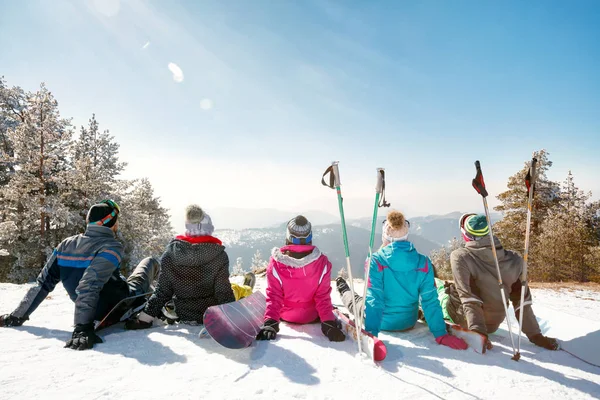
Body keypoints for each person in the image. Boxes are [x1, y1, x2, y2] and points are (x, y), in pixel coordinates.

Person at [0, 200, 160, 350]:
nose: (118, 224)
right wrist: (82, 328)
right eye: (116, 220)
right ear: (109, 222)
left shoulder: (65, 245)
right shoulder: (111, 246)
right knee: (150, 261)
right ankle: (164, 297)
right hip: (118, 303)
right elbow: (89, 285)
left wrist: (17, 316)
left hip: (91, 308)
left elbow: (42, 284)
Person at [336, 210, 467, 350]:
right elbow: (430, 301)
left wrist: (371, 335)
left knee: (356, 302)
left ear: (386, 235)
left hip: (382, 322)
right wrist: (441, 334)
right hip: (408, 321)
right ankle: (431, 321)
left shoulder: (375, 261)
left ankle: (343, 288)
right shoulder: (423, 262)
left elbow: (375, 299)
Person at [125, 205, 253, 329]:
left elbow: (162, 292)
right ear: (208, 230)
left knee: (231, 288)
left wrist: (144, 319)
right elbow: (223, 293)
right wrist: (235, 323)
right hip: (211, 314)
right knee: (235, 289)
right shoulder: (218, 255)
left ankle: (244, 288)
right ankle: (247, 288)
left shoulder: (170, 254)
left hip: (184, 313)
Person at [445, 213, 559, 351]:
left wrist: (478, 333)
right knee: (451, 288)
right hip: (494, 324)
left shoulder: (460, 256)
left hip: (468, 320)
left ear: (466, 235)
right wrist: (536, 335)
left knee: (443, 292)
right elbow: (522, 302)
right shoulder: (515, 259)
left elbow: (469, 298)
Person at [256, 215, 345, 342]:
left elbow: (274, 296)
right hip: (312, 316)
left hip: (285, 316)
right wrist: (328, 323)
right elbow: (322, 297)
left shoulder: (276, 264)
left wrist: (270, 323)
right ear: (310, 237)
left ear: (289, 236)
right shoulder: (322, 263)